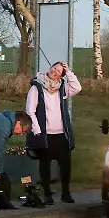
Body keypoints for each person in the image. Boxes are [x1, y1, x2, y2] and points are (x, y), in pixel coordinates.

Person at [26, 61, 81, 204]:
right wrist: (36, 129)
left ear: (60, 77)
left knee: (65, 163)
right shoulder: (37, 87)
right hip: (45, 134)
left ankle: (66, 193)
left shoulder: (62, 88)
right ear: (50, 68)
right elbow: (30, 110)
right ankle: (47, 193)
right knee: (45, 164)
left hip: (61, 134)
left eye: (58, 71)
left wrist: (68, 72)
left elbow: (77, 87)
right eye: (54, 68)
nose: (55, 71)